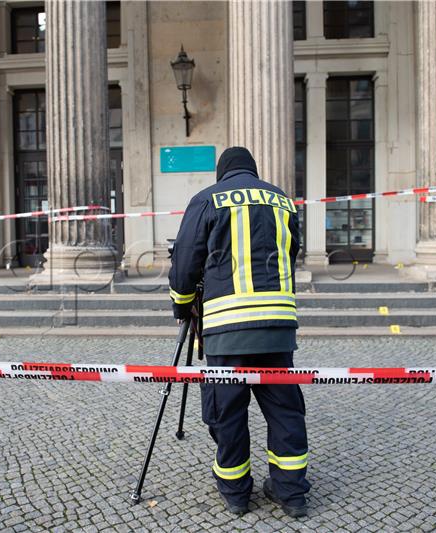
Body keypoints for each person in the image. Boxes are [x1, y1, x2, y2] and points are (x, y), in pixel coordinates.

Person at [168, 147, 310, 518]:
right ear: (253, 170)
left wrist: (183, 305)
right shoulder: (281, 200)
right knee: (285, 410)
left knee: (226, 410)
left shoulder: (206, 200)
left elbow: (185, 260)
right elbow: (291, 252)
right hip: (278, 326)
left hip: (226, 328)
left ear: (222, 173)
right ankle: (291, 492)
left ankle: (235, 492)